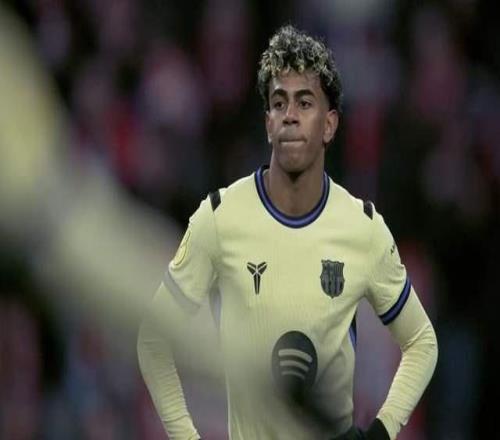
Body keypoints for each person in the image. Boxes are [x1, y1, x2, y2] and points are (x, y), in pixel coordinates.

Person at [137, 25, 438, 440]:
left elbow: (422, 342)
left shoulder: (364, 229)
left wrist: (382, 431)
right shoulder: (219, 218)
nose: (291, 115)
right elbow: (154, 337)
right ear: (268, 123)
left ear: (329, 124)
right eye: (279, 102)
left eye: (305, 102)